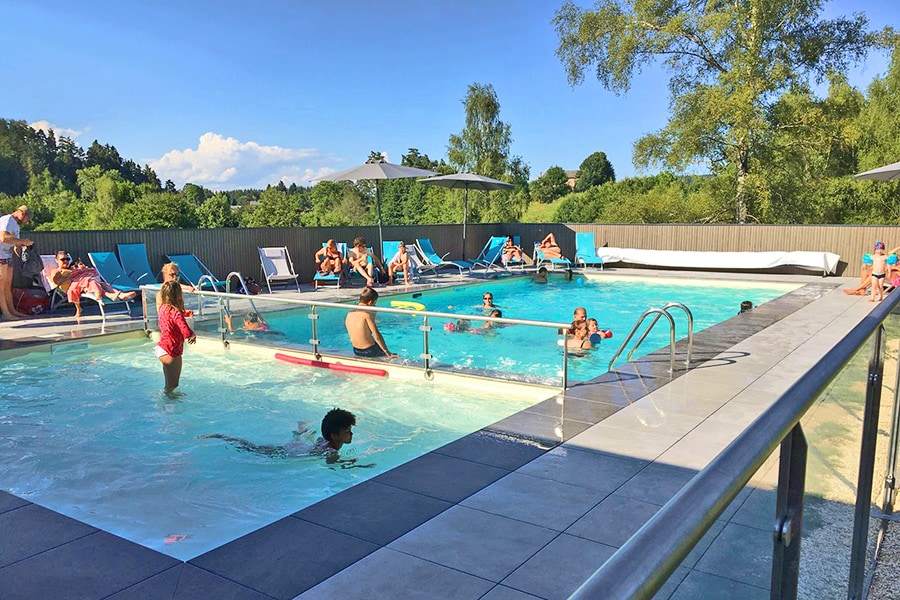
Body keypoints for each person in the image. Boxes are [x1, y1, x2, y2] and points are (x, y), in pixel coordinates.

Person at [199, 408, 362, 465]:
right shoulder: (331, 452)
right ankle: (220, 436)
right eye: (347, 430)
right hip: (285, 453)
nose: (351, 433)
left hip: (295, 448)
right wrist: (354, 463)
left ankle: (299, 430)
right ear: (334, 435)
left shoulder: (324, 441)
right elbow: (334, 464)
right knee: (251, 448)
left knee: (253, 447)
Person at [50, 251, 137, 318]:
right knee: (94, 283)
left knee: (103, 284)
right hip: (75, 287)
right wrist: (69, 276)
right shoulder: (57, 271)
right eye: (62, 259)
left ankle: (119, 294)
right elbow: (56, 282)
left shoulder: (72, 268)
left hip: (83, 283)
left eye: (67, 259)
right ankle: (116, 295)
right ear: (56, 260)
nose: (66, 261)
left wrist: (82, 270)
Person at [156, 281, 196, 396]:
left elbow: (171, 319)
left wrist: (184, 313)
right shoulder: (176, 313)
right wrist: (193, 335)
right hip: (171, 351)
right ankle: (169, 410)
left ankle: (165, 407)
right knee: (173, 387)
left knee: (168, 386)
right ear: (178, 295)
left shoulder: (163, 308)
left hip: (162, 348)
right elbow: (186, 331)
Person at [0, 205, 34, 320]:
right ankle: (6, 313)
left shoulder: (16, 226)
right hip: (1, 256)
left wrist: (22, 256)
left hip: (8, 256)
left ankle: (12, 311)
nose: (27, 222)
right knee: (1, 285)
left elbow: (16, 245)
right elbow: (4, 238)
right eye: (27, 219)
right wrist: (23, 241)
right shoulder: (7, 219)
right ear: (22, 214)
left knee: (7, 286)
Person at [345, 287, 397, 359]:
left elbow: (362, 331)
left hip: (356, 350)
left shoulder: (350, 313)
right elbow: (377, 336)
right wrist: (387, 352)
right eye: (374, 303)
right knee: (395, 356)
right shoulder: (366, 315)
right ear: (370, 302)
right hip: (369, 351)